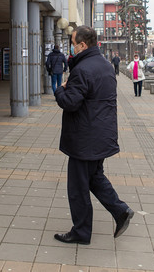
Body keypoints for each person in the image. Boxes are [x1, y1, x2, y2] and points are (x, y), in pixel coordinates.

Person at [53, 25, 134, 245]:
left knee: (78, 187)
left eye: (73, 42)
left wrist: (60, 89)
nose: (71, 45)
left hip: (84, 138)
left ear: (82, 44)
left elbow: (70, 103)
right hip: (101, 134)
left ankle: (81, 231)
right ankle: (121, 211)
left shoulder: (82, 69)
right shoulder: (105, 65)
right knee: (95, 178)